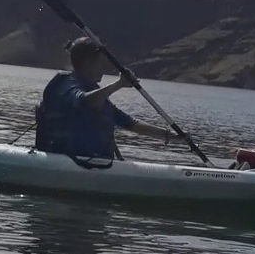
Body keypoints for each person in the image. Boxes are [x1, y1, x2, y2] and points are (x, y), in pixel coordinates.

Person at [34, 36, 171, 161]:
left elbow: (130, 123)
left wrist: (170, 136)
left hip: (95, 163)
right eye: (101, 62)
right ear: (88, 62)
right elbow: (85, 102)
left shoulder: (94, 90)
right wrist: (119, 84)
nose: (104, 67)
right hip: (65, 161)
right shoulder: (66, 85)